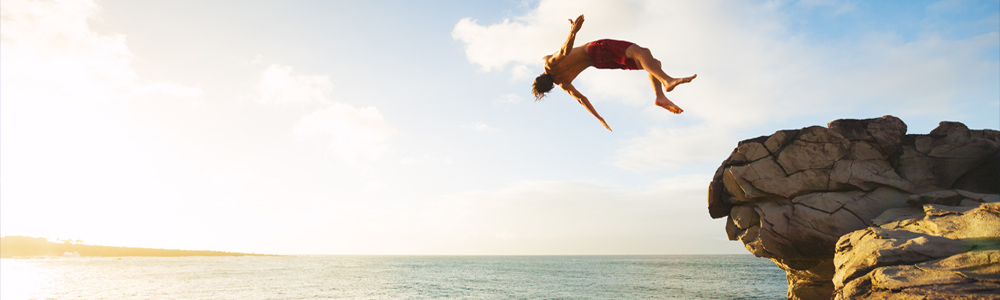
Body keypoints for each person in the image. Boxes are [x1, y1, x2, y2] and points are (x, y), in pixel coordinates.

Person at [532, 14, 696, 131]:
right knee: (642, 52)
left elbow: (582, 100)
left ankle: (660, 97)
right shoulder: (549, 64)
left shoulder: (563, 83)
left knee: (653, 64)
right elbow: (563, 52)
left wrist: (599, 118)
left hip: (599, 63)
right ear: (540, 76)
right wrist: (573, 32)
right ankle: (667, 81)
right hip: (596, 49)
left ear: (550, 87)